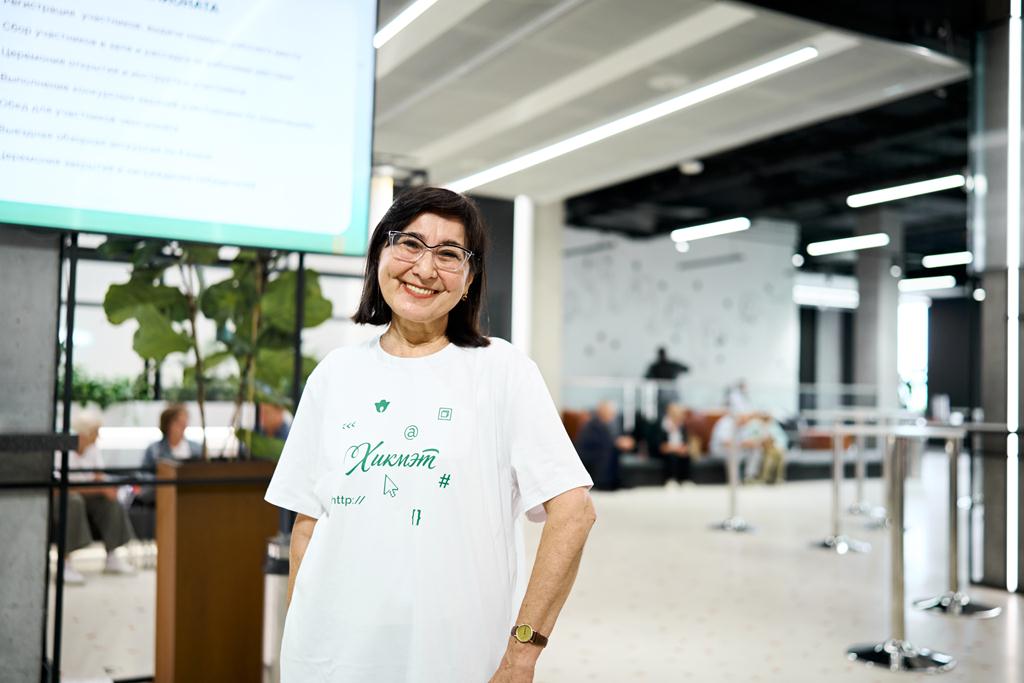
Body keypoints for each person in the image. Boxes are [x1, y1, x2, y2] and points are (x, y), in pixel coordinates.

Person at [265, 187, 596, 683]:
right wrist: (300, 645)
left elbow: (574, 512)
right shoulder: (335, 373)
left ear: (469, 278)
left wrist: (523, 651)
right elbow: (307, 525)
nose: (424, 268)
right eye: (410, 244)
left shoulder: (501, 370)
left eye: (448, 254)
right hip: (330, 656)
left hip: (457, 657)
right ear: (380, 253)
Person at [55, 410, 136, 584]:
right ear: (85, 433)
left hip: (87, 493)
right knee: (73, 502)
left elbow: (99, 476)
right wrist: (98, 488)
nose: (98, 437)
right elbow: (62, 487)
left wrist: (107, 489)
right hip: (65, 496)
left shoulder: (92, 449)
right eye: (96, 432)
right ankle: (65, 563)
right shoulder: (61, 450)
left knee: (111, 502)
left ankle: (112, 556)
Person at [137, 404, 201, 504]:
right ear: (168, 424)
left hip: (190, 496)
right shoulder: (154, 449)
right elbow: (143, 474)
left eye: (184, 422)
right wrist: (162, 479)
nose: (182, 426)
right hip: (161, 497)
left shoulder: (196, 448)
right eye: (178, 422)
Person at [574, 400, 635, 490]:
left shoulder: (607, 425)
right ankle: (605, 482)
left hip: (599, 455)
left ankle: (616, 481)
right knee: (607, 454)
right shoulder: (592, 426)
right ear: (602, 412)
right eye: (610, 412)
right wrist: (616, 443)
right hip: (591, 458)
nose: (613, 415)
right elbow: (599, 444)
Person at [649, 403, 690, 485]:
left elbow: (685, 442)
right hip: (662, 451)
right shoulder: (661, 425)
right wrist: (674, 448)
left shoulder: (682, 426)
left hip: (677, 449)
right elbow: (659, 445)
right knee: (672, 456)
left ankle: (684, 480)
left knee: (686, 456)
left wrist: (683, 448)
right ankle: (671, 479)